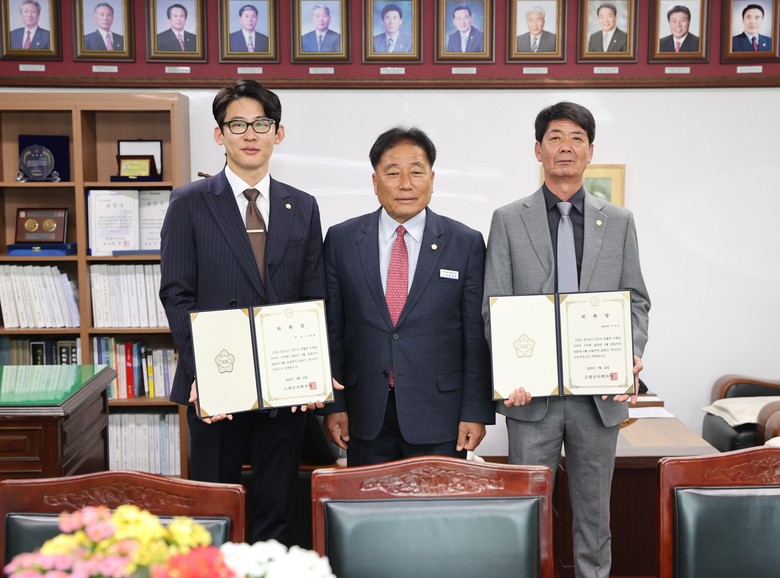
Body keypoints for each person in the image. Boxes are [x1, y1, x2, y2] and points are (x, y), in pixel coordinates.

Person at [482, 102, 650, 578]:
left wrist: (630, 353)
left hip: (596, 397)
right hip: (530, 397)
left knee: (595, 519)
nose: (565, 147)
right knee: (528, 512)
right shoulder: (508, 219)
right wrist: (510, 373)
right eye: (555, 137)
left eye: (577, 138)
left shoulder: (619, 221)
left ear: (590, 151)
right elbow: (493, 307)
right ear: (538, 150)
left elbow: (636, 300)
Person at [159, 79, 326, 544]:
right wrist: (204, 375)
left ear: (278, 133)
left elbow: (314, 297)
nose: (250, 134)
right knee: (214, 513)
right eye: (237, 124)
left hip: (284, 388)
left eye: (261, 124)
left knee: (278, 511)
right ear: (220, 134)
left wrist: (314, 370)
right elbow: (177, 294)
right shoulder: (189, 202)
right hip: (217, 384)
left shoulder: (302, 206)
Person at [321, 127, 494, 466]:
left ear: (432, 179)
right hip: (363, 413)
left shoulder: (465, 243)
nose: (405, 184)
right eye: (392, 173)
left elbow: (475, 337)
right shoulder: (342, 240)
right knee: (368, 500)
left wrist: (475, 411)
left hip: (441, 415)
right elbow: (332, 330)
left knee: (437, 502)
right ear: (375, 181)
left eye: (416, 172)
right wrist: (334, 405)